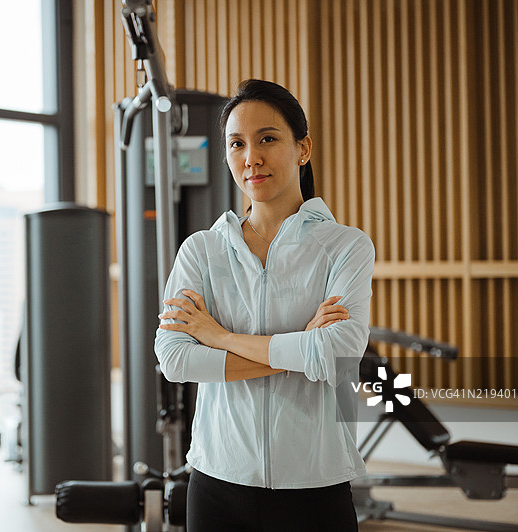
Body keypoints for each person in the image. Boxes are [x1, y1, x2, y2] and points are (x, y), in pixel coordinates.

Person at [154, 79, 375, 531]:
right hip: (217, 480)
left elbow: (336, 353)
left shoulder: (346, 246)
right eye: (237, 144)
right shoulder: (202, 251)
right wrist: (300, 350)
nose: (251, 157)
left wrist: (218, 338)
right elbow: (175, 358)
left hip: (315, 483)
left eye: (268, 139)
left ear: (303, 148)